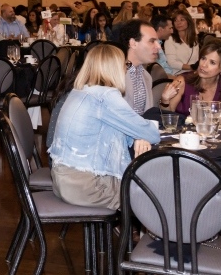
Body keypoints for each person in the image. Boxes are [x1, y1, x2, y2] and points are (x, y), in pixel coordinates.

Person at [47, 44, 160, 211]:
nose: (126, 69)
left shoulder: (80, 91)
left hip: (63, 180)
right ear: (114, 68)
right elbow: (151, 133)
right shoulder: (105, 96)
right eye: (125, 64)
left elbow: (124, 128)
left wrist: (137, 135)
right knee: (153, 195)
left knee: (145, 186)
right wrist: (141, 133)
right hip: (87, 186)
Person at [162, 38, 221, 113]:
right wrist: (165, 100)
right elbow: (166, 115)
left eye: (212, 62)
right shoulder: (182, 81)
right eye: (203, 58)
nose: (204, 65)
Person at [117, 18, 160, 115]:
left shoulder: (146, 76)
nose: (158, 46)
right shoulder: (115, 75)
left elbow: (148, 114)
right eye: (152, 41)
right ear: (133, 43)